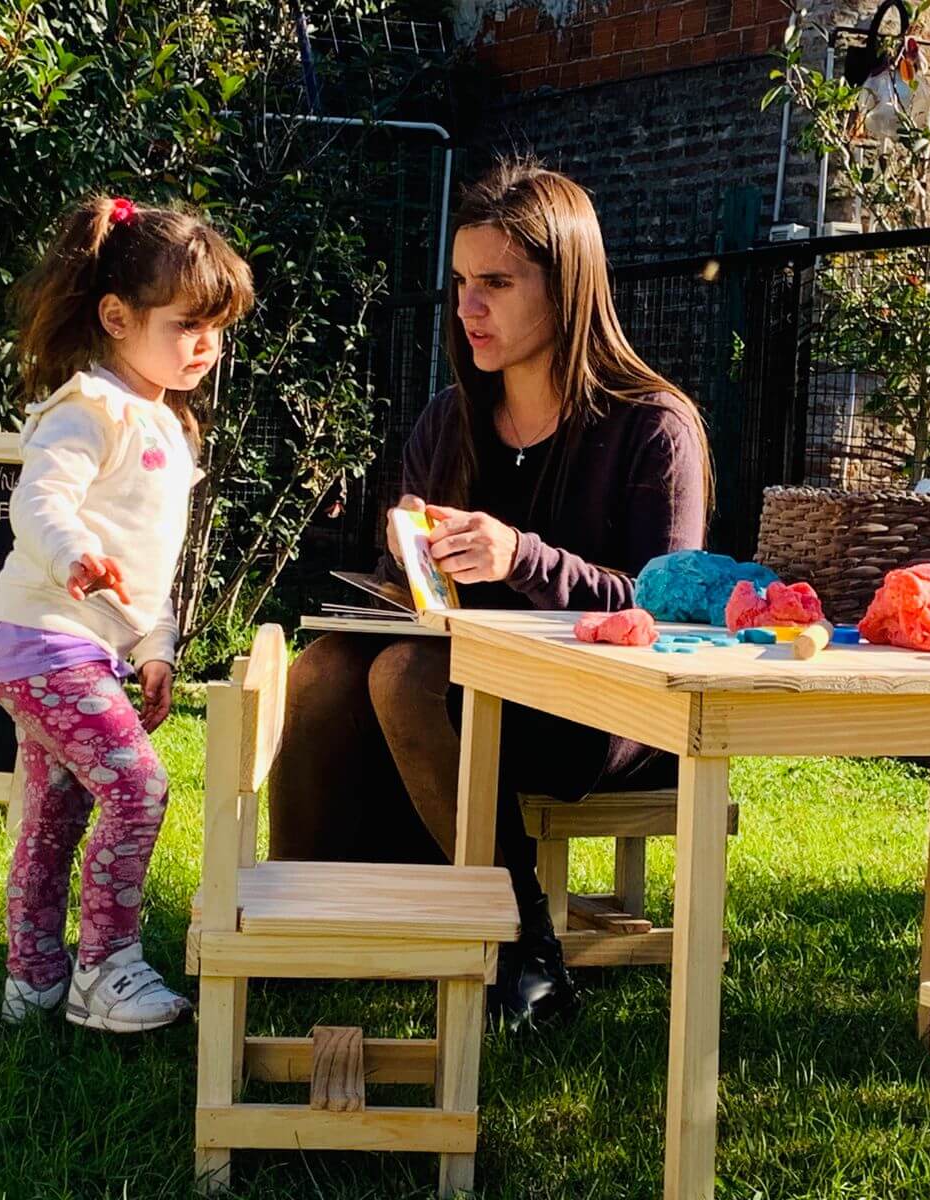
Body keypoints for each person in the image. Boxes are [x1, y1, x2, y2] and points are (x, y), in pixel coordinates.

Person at [268, 159, 712, 1029]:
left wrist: (520, 557)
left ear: (569, 286)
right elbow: (426, 605)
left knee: (403, 679)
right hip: (467, 682)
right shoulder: (451, 417)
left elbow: (666, 607)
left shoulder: (652, 427)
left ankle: (522, 949)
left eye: (498, 284)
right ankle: (301, 915)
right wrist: (412, 561)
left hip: (602, 709)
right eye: (463, 283)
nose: (469, 308)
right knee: (321, 667)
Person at [0, 195, 253, 1032]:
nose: (207, 346)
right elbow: (39, 501)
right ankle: (107, 969)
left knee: (57, 808)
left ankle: (33, 979)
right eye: (188, 326)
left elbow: (151, 560)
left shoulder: (168, 423)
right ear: (117, 316)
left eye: (218, 328)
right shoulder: (88, 407)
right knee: (138, 788)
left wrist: (154, 646)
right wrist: (72, 558)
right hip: (40, 637)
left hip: (80, 649)